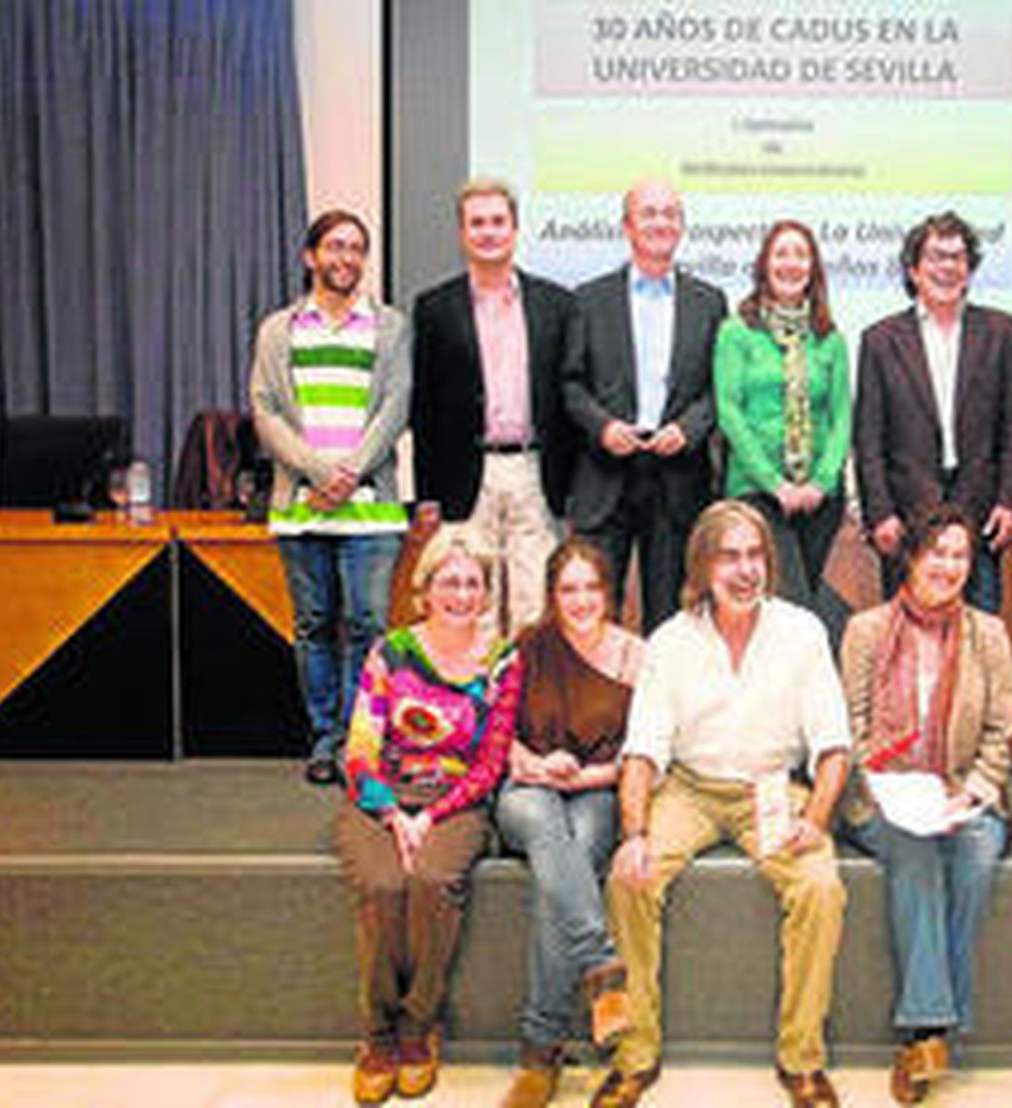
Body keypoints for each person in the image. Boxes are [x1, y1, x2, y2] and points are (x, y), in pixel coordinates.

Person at [597, 500, 851, 1108]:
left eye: (755, 554)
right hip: (688, 787)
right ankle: (635, 1056)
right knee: (630, 879)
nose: (745, 570)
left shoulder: (802, 631)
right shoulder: (670, 640)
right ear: (702, 566)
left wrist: (815, 821)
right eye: (729, 556)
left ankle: (802, 1060)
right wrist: (633, 833)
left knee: (820, 887)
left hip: (771, 787)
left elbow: (835, 745)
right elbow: (642, 752)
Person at [333, 526, 520, 1105]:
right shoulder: (391, 652)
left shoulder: (501, 660)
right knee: (383, 883)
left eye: (472, 584)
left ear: (486, 594)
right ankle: (377, 1033)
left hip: (456, 800)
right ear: (426, 588)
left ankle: (418, 1027)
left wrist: (431, 813)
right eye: (449, 582)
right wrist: (391, 812)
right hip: (381, 797)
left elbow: (490, 763)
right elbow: (359, 746)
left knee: (433, 881)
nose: (461, 594)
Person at [838, 504, 1012, 1104]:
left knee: (978, 854)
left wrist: (972, 792)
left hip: (962, 791)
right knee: (914, 852)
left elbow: (1000, 732)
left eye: (960, 556)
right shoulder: (865, 630)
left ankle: (926, 1031)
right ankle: (928, 1026)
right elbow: (852, 727)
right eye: (937, 552)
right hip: (880, 796)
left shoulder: (989, 634)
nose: (949, 566)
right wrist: (891, 790)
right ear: (911, 558)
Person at [250, 209, 410, 786]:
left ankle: (360, 743)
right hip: (302, 507)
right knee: (314, 626)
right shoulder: (279, 330)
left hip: (372, 507)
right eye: (335, 247)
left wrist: (350, 472)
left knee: (368, 627)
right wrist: (319, 473)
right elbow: (264, 410)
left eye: (356, 248)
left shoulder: (389, 326)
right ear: (310, 256)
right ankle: (325, 739)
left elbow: (397, 404)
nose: (346, 258)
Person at [496, 537, 645, 1108]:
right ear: (552, 596)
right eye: (568, 589)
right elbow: (493, 730)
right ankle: (600, 961)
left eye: (591, 587)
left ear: (609, 593)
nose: (581, 600)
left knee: (575, 852)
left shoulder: (636, 654)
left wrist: (586, 776)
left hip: (596, 789)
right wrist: (532, 764)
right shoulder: (528, 646)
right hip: (527, 788)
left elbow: (643, 751)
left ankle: (541, 1047)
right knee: (540, 819)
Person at [411, 178, 579, 637]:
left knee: (535, 605)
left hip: (534, 470)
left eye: (498, 222)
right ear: (462, 234)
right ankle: (477, 708)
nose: (489, 232)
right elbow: (423, 408)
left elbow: (568, 401)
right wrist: (427, 493)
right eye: (477, 223)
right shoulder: (434, 308)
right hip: (467, 476)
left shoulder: (557, 305)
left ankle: (524, 709)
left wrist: (573, 488)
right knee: (472, 605)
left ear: (515, 229)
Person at [563, 178, 728, 632]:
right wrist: (603, 427)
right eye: (649, 213)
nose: (660, 222)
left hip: (677, 479)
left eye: (670, 214)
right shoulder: (588, 300)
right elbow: (572, 385)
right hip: (605, 476)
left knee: (672, 622)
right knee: (594, 615)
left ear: (681, 227)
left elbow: (719, 388)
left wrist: (689, 429)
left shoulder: (709, 302)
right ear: (627, 226)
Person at [854, 211, 1012, 614]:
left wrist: (1009, 502)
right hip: (907, 520)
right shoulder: (880, 340)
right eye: (935, 257)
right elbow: (868, 438)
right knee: (907, 643)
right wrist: (879, 514)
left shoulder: (1001, 332)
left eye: (957, 257)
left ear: (970, 270)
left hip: (981, 516)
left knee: (980, 638)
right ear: (914, 269)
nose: (947, 267)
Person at [714, 219, 852, 610]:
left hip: (819, 498)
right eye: (781, 253)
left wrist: (821, 482)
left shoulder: (830, 338)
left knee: (797, 608)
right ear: (764, 265)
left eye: (801, 254)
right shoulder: (737, 332)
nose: (791, 264)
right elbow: (729, 412)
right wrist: (776, 485)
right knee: (790, 605)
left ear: (813, 268)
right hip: (757, 492)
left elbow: (842, 415)